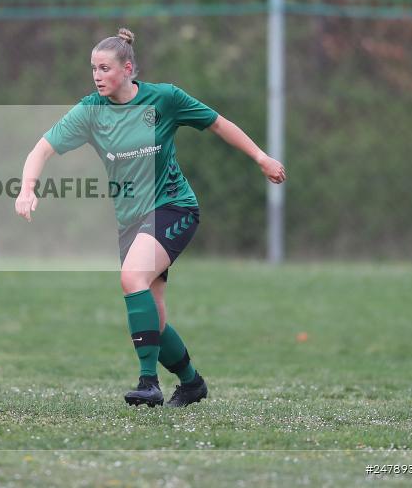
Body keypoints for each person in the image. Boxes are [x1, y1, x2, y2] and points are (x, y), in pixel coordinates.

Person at [15, 28, 285, 407]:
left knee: (131, 278)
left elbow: (218, 123)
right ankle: (192, 383)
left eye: (104, 68)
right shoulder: (91, 111)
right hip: (131, 221)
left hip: (174, 206)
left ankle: (148, 383)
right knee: (152, 321)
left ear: (127, 69)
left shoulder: (165, 98)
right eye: (93, 68)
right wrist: (28, 187)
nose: (96, 75)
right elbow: (41, 149)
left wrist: (261, 157)